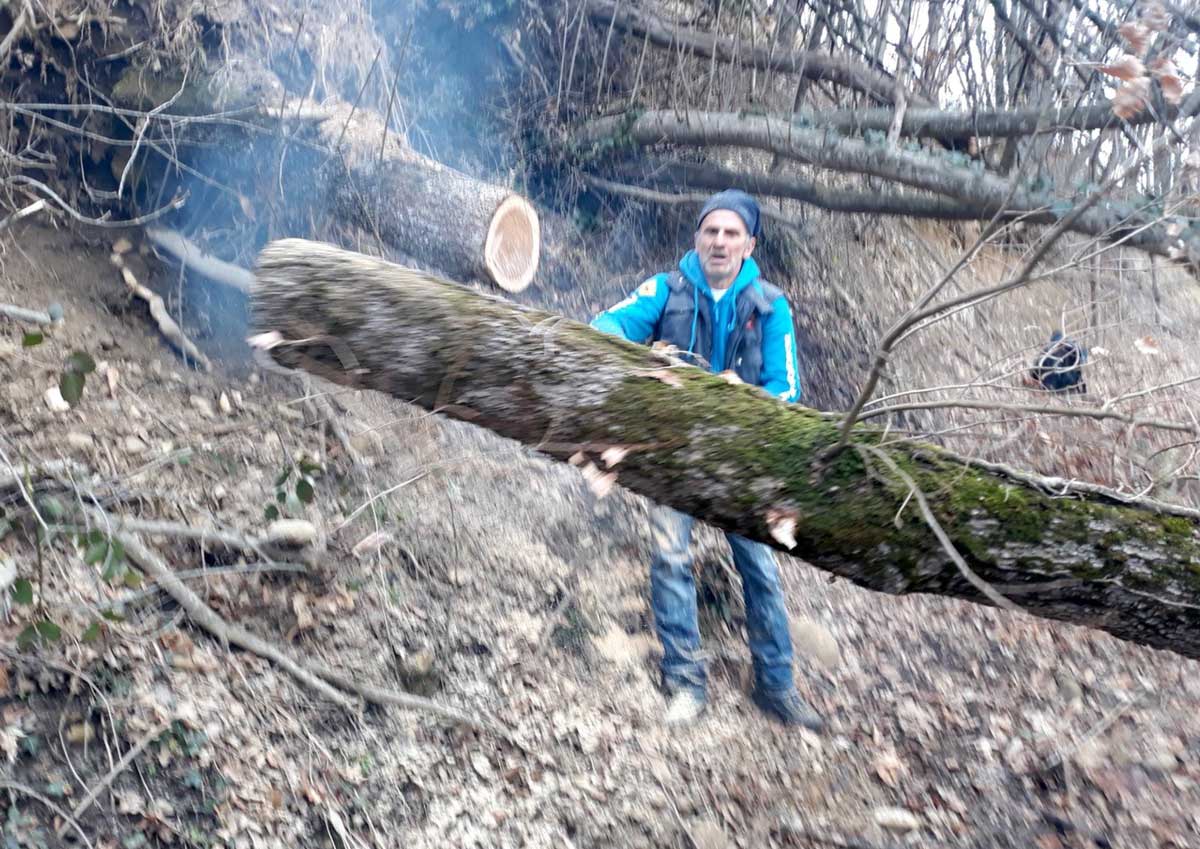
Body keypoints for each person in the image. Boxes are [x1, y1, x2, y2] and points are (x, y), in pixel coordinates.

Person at [590, 189, 823, 730]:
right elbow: (605, 327)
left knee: (760, 568)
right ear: (697, 236)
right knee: (671, 560)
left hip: (742, 461)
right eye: (710, 231)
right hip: (672, 455)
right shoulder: (666, 289)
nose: (719, 241)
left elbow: (786, 390)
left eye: (731, 233)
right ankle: (685, 682)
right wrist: (647, 367)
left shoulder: (770, 304)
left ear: (749, 243)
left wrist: (742, 397)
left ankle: (776, 685)